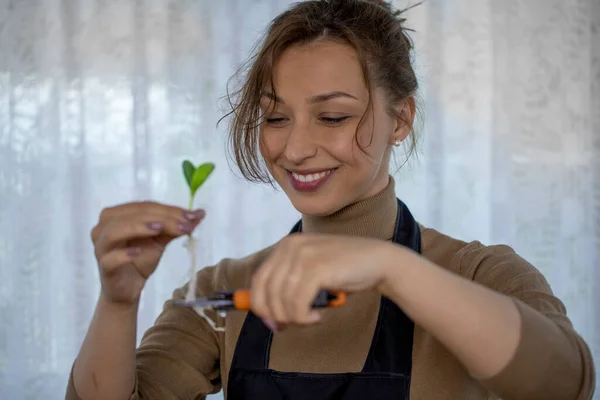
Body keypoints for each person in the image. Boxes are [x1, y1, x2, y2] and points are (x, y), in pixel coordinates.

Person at [66, 0, 596, 399]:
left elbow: (567, 384)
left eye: (334, 116)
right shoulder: (223, 294)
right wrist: (118, 301)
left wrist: (394, 269)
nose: (295, 149)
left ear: (401, 119)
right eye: (275, 118)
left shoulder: (480, 274)